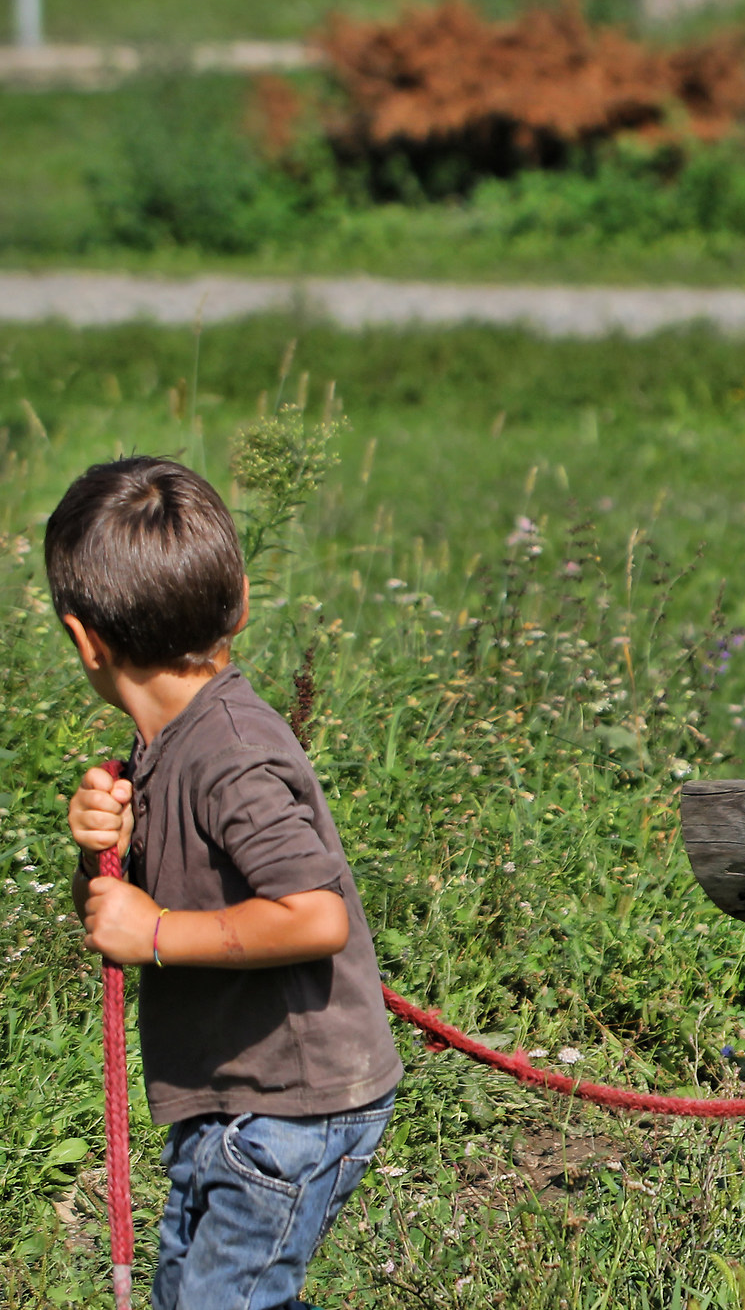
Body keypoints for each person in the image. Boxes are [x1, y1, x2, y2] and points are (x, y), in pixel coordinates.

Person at [58, 457, 401, 1310]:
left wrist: (159, 934)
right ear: (240, 599)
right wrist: (104, 853)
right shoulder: (169, 743)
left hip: (291, 1109)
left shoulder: (230, 753)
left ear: (83, 639)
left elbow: (315, 915)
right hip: (232, 1097)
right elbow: (119, 916)